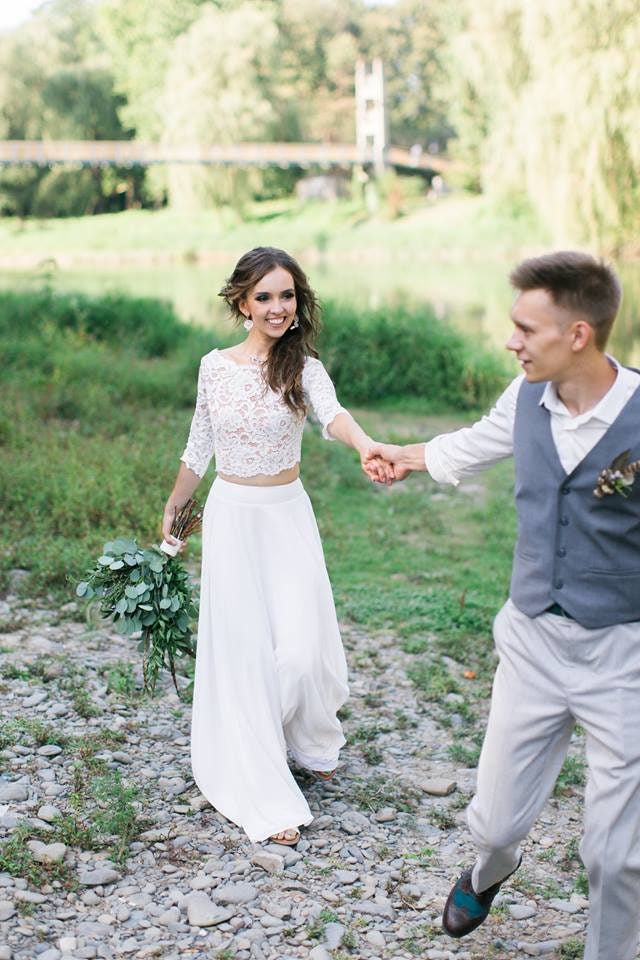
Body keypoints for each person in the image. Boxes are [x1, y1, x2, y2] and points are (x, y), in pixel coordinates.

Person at [365, 251, 640, 960]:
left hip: (624, 656)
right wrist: (405, 454)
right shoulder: (524, 399)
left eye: (525, 328)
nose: (510, 340)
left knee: (619, 857)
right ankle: (492, 871)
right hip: (532, 643)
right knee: (491, 824)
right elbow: (474, 445)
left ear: (578, 334)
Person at [162, 246, 387, 847]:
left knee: (304, 649)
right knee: (245, 655)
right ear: (242, 301)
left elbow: (334, 416)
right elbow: (197, 448)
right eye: (264, 296)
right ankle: (259, 781)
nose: (277, 307)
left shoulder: (303, 367)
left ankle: (306, 734)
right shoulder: (215, 366)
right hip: (233, 518)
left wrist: (365, 443)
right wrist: (175, 507)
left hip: (287, 517)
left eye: (286, 295)